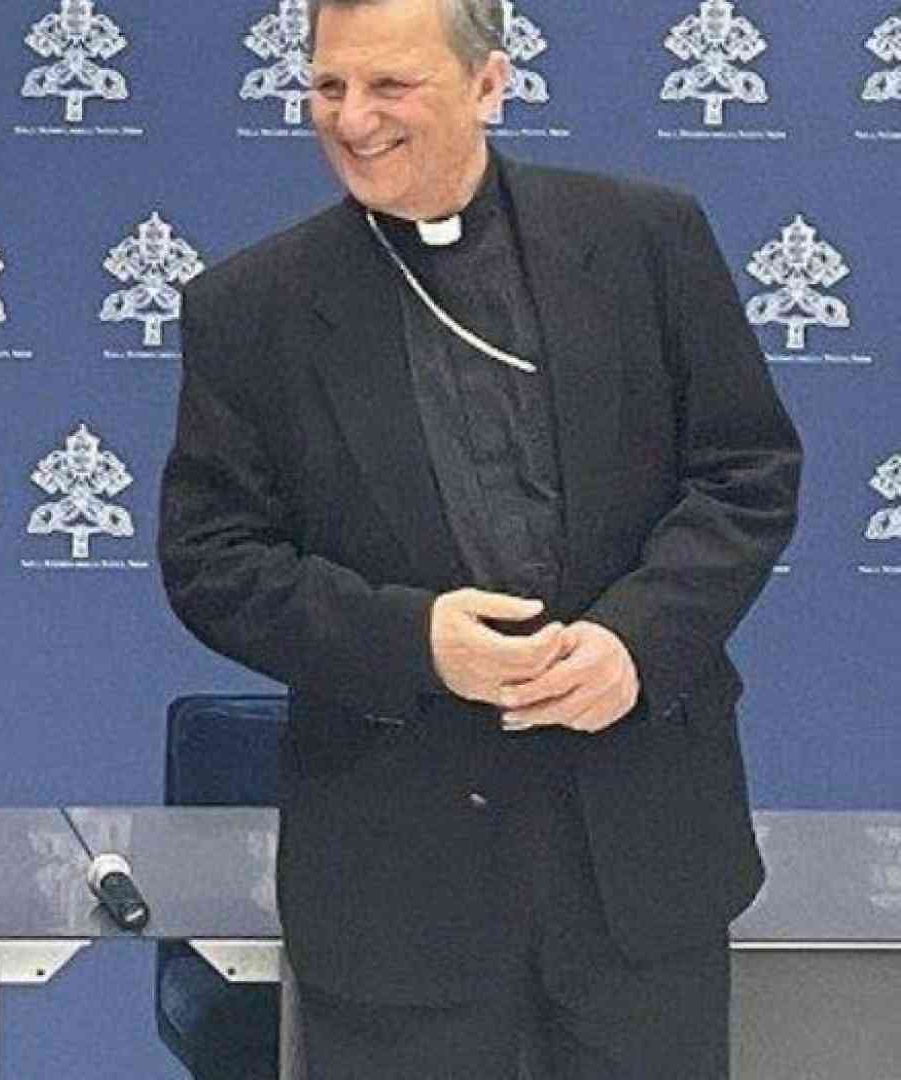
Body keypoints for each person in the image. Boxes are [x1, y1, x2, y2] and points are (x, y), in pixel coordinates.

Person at [158, 0, 801, 1074]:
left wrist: (637, 642)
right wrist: (416, 644)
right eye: (328, 86)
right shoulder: (248, 309)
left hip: (641, 872)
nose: (351, 119)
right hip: (398, 899)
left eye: (390, 85)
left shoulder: (647, 241)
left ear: (489, 84)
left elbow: (748, 471)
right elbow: (212, 562)